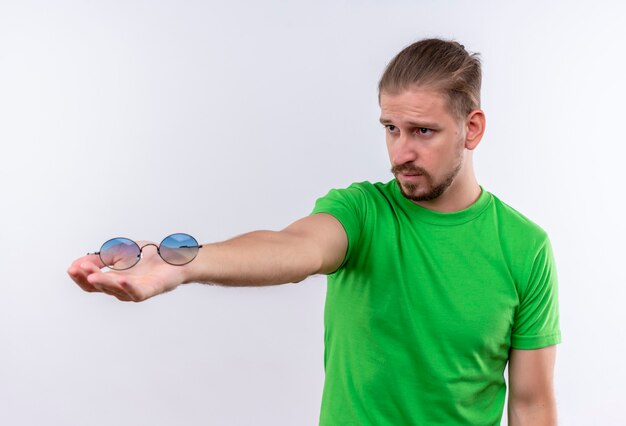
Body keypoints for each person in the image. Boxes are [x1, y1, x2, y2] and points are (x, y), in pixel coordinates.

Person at [68, 38, 561, 425]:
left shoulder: (524, 247)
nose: (400, 153)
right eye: (391, 128)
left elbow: (532, 406)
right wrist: (183, 263)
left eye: (422, 131)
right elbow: (294, 248)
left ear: (471, 129)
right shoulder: (364, 211)